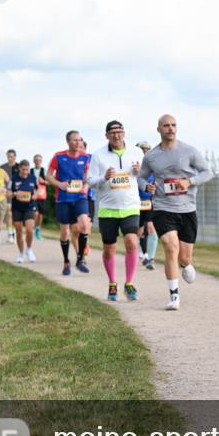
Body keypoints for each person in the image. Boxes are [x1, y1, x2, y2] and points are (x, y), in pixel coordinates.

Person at [138, 114, 213, 310]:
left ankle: (187, 265)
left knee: (184, 257)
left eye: (173, 125)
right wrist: (146, 187)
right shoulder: (151, 156)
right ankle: (174, 296)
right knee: (170, 247)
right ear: (159, 129)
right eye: (166, 126)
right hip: (163, 208)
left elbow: (207, 172)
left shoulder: (189, 151)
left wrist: (190, 181)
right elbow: (141, 178)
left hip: (187, 209)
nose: (170, 128)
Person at [87, 120, 144, 302]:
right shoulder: (98, 155)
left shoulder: (136, 152)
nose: (116, 135)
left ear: (124, 133)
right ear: (107, 136)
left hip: (130, 206)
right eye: (112, 133)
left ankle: (129, 283)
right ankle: (112, 283)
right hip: (108, 209)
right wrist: (104, 177)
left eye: (119, 132)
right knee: (109, 248)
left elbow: (144, 176)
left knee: (131, 242)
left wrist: (139, 172)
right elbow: (89, 180)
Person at [47, 131, 92, 276]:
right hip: (63, 198)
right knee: (65, 232)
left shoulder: (85, 158)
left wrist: (86, 186)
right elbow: (48, 176)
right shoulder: (58, 157)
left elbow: (88, 178)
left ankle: (80, 259)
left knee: (84, 224)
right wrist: (59, 184)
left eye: (80, 140)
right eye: (75, 140)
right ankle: (66, 261)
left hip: (79, 197)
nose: (78, 143)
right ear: (68, 142)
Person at [136, 140, 158, 270]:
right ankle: (141, 254)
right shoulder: (134, 166)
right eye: (142, 150)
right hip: (136, 202)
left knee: (151, 227)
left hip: (149, 202)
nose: (145, 152)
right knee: (138, 231)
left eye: (147, 150)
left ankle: (151, 259)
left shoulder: (154, 167)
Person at [10, 159, 38, 263]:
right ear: (19, 169)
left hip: (30, 206)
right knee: (19, 231)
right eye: (23, 170)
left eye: (27, 169)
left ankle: (29, 249)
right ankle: (21, 254)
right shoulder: (13, 178)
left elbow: (37, 189)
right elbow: (7, 192)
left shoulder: (32, 177)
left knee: (30, 230)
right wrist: (14, 194)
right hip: (17, 207)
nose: (25, 172)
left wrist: (36, 195)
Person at [0, 149, 18, 242]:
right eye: (8, 156)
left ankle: (14, 233)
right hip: (6, 193)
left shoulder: (19, 167)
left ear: (15, 156)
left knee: (16, 215)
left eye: (11, 156)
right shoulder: (2, 167)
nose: (10, 158)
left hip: (18, 194)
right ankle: (10, 234)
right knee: (9, 213)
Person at [31, 154, 47, 239]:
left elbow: (50, 182)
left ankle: (38, 230)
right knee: (35, 213)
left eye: (39, 160)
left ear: (41, 161)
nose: (38, 161)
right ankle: (33, 229)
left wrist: (43, 181)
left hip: (42, 196)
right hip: (33, 196)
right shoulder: (31, 171)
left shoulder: (44, 170)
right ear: (34, 161)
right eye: (36, 160)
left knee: (41, 215)